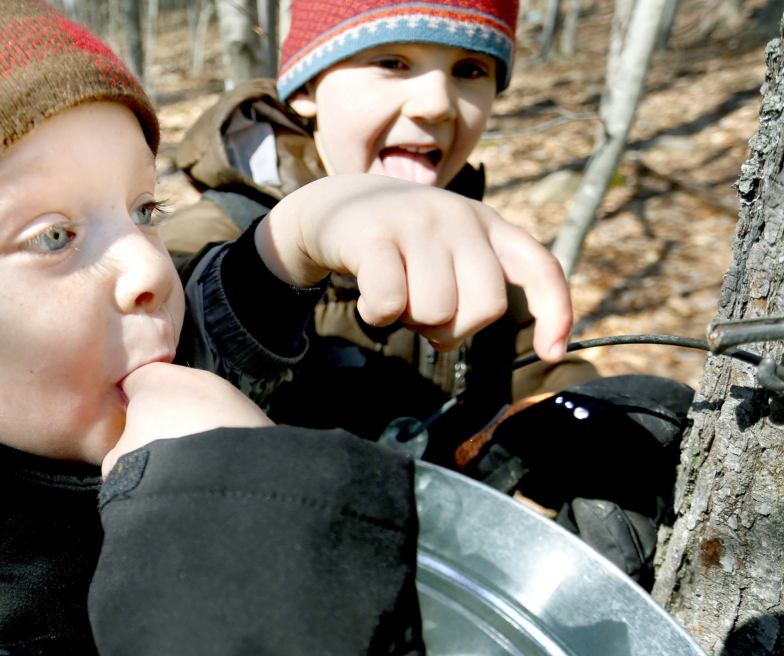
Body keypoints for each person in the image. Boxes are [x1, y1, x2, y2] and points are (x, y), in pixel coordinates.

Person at [0, 0, 573, 653]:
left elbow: (218, 330)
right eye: (52, 237)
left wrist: (292, 239)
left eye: (142, 211)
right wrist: (223, 519)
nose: (148, 268)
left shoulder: (51, 407)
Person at [160, 0, 695, 586]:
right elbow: (163, 364)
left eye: (470, 70)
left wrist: (584, 423)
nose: (438, 103)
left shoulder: (475, 247)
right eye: (392, 61)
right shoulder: (212, 239)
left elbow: (524, 376)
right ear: (307, 87)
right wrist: (277, 260)